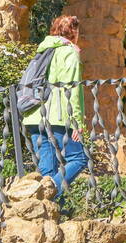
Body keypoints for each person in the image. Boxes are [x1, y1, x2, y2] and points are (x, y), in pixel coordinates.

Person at [21, 14, 89, 197]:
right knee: (79, 158)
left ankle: (47, 213)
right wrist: (77, 122)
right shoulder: (70, 52)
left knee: (48, 170)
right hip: (58, 116)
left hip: (35, 114)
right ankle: (44, 195)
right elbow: (71, 89)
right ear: (74, 31)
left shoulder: (43, 49)